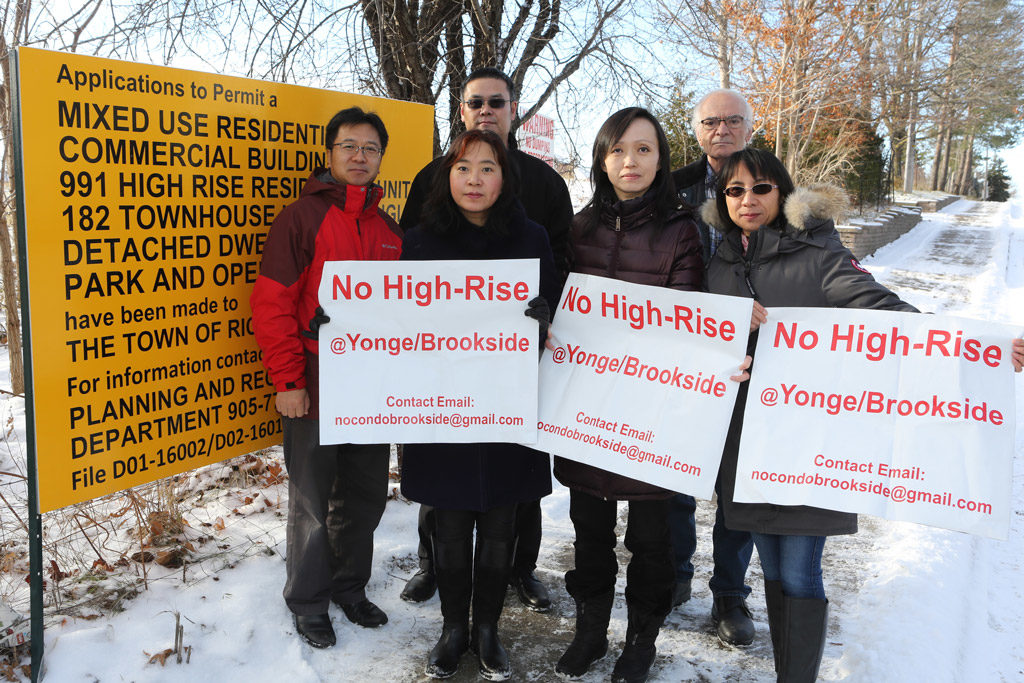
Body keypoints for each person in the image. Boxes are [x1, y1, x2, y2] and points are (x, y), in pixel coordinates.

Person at [398, 66, 573, 611]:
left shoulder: (543, 184)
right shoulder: (431, 177)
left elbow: (561, 260)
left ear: (513, 109)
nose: (486, 110)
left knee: (514, 494)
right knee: (442, 494)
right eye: (476, 102)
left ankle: (522, 571)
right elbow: (400, 281)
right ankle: (432, 566)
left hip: (512, 371)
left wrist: (545, 312)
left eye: (497, 102)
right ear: (462, 110)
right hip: (444, 375)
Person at [552, 107, 704, 683]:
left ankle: (641, 639)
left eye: (643, 149)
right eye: (618, 149)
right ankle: (590, 631)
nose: (630, 161)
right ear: (601, 159)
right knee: (589, 532)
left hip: (650, 413)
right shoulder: (579, 228)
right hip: (586, 411)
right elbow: (561, 307)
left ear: (661, 160)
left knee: (651, 540)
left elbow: (689, 322)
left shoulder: (681, 230)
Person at [250, 107, 401, 649]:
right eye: (349, 146)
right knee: (313, 502)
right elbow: (272, 304)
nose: (360, 156)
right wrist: (288, 380)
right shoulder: (301, 218)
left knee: (365, 496)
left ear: (381, 158)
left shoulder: (390, 229)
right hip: (314, 381)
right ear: (331, 152)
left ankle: (349, 587)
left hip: (372, 385)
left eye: (370, 148)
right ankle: (309, 601)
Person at [666, 88, 758, 647]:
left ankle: (729, 593)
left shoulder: (774, 185)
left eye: (732, 120)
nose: (721, 129)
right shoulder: (669, 186)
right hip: (682, 353)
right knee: (677, 474)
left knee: (735, 485)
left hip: (752, 358)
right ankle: (676, 574)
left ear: (750, 126)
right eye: (710, 121)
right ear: (696, 129)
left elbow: (825, 266)